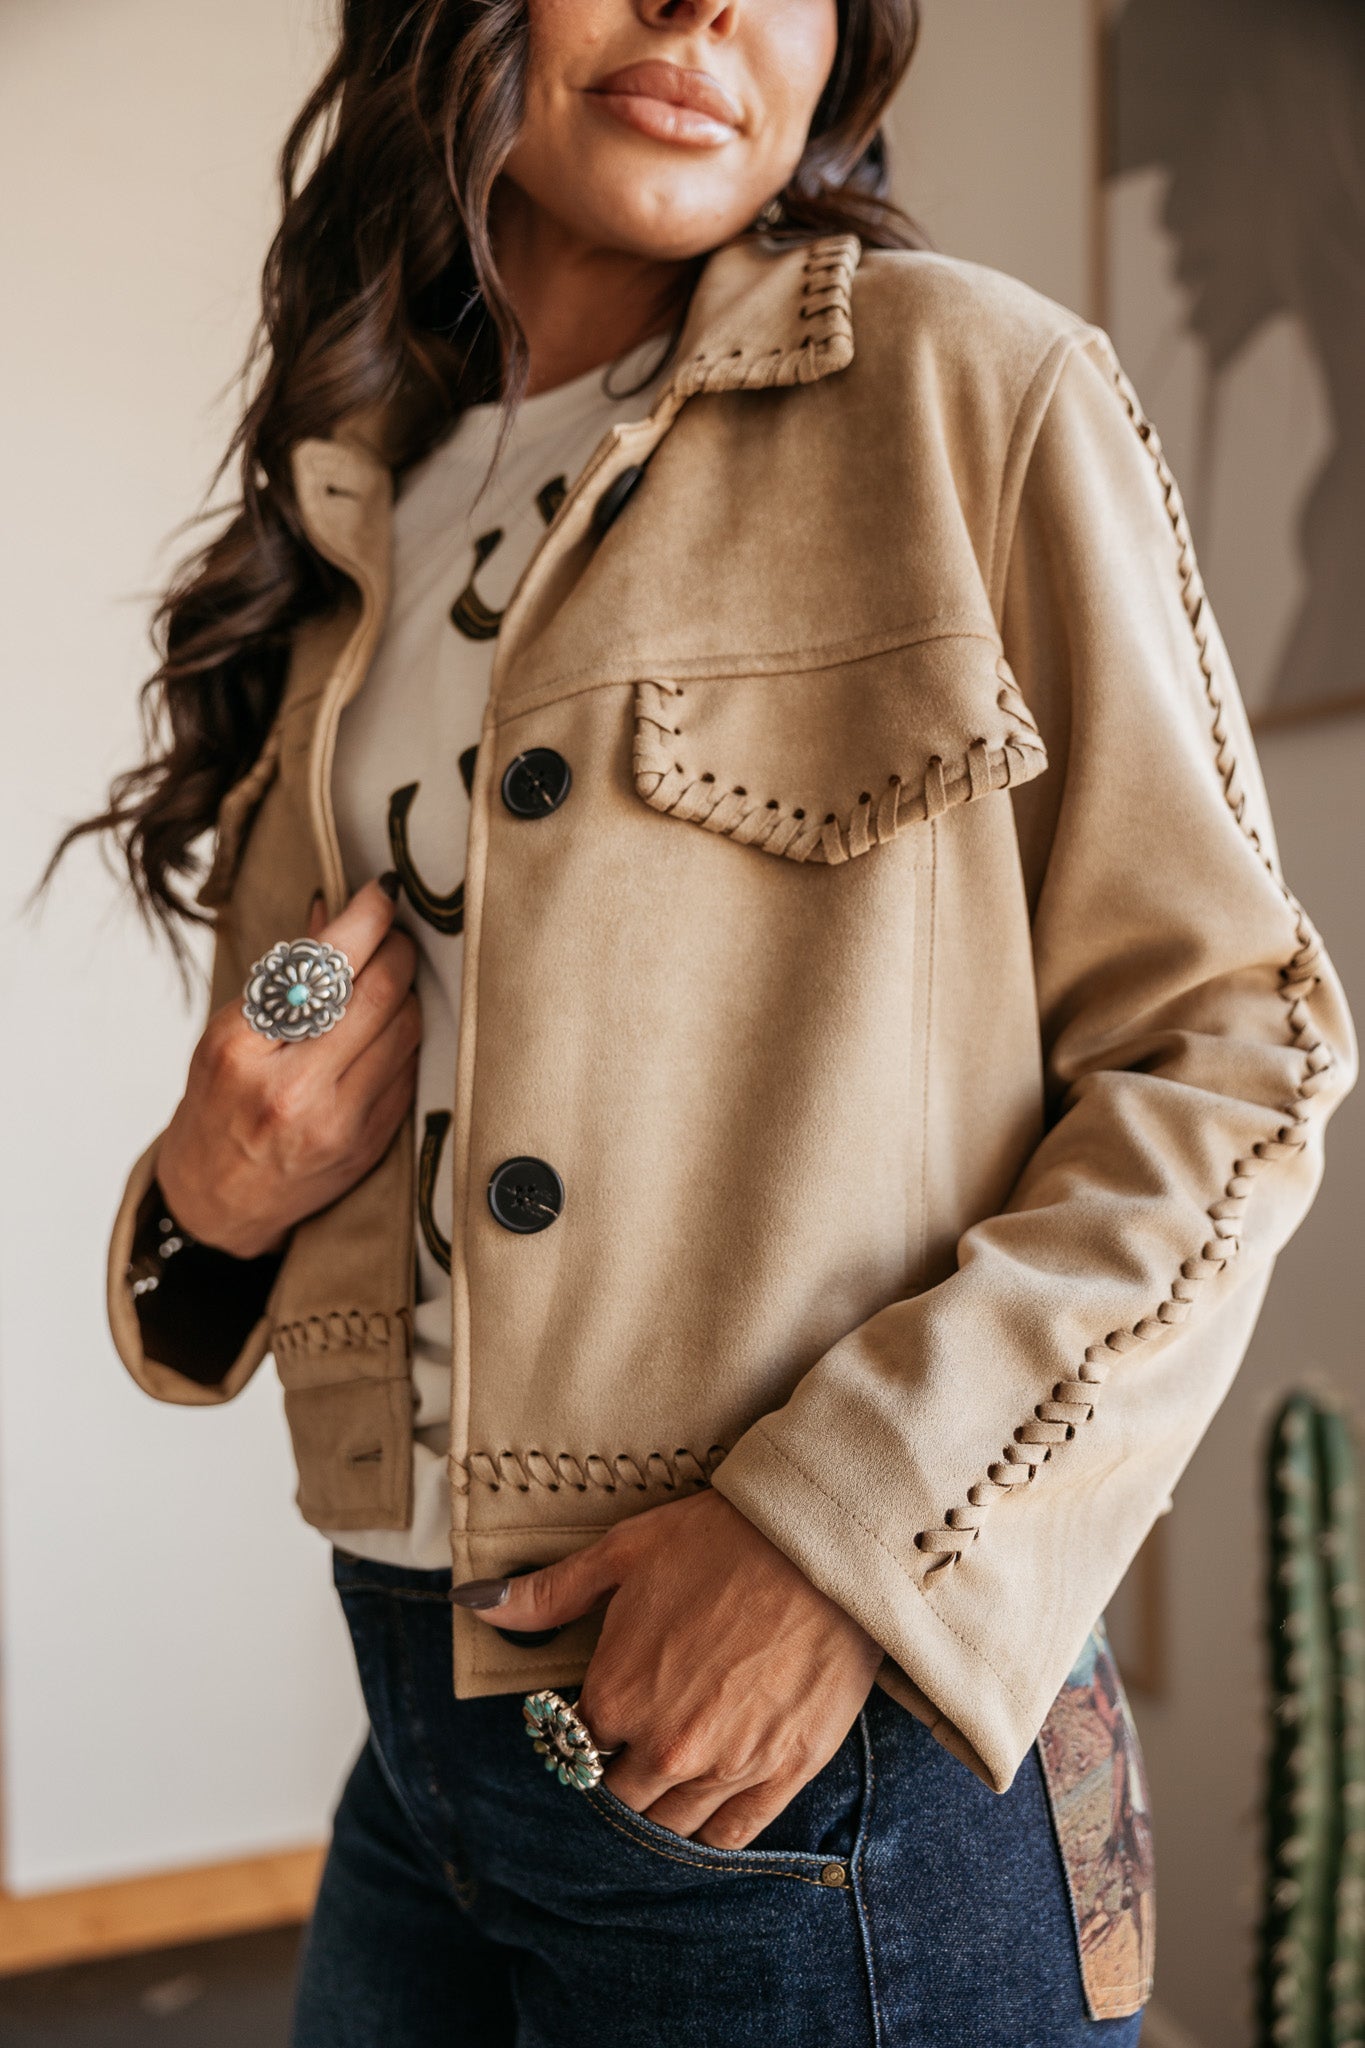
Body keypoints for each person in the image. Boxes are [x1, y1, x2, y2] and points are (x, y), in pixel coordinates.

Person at [60, 0, 1354, 2040]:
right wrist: (214, 1177)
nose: (700, 10)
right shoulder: (358, 506)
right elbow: (313, 976)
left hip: (809, 1765)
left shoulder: (966, 392)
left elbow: (1238, 1050)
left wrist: (838, 1543)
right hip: (414, 1739)